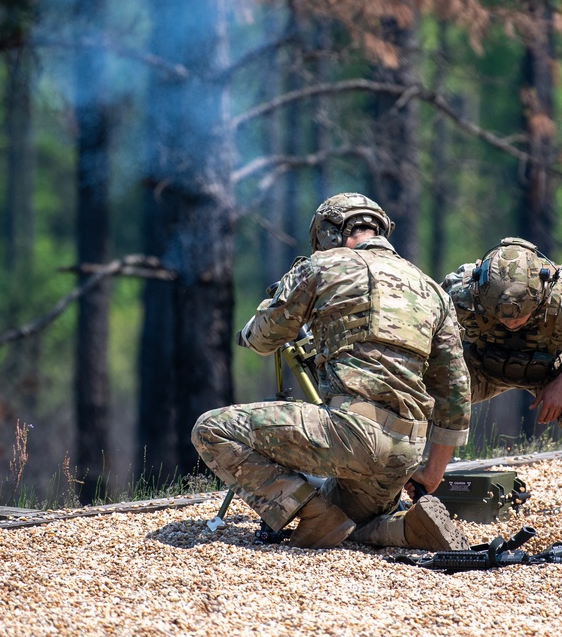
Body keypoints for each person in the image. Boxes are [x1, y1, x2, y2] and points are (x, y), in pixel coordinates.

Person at [192, 193, 472, 550]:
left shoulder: (323, 265)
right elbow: (456, 391)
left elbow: (265, 338)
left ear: (330, 232)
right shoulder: (434, 291)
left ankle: (313, 515)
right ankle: (403, 529)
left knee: (211, 430)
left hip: (351, 436)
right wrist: (432, 473)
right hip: (405, 452)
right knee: (351, 520)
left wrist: (250, 329)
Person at [441, 237, 562, 512]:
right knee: (424, 393)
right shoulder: (461, 294)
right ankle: (418, 484)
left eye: (519, 316)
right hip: (480, 365)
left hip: (551, 370)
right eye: (500, 315)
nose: (510, 322)